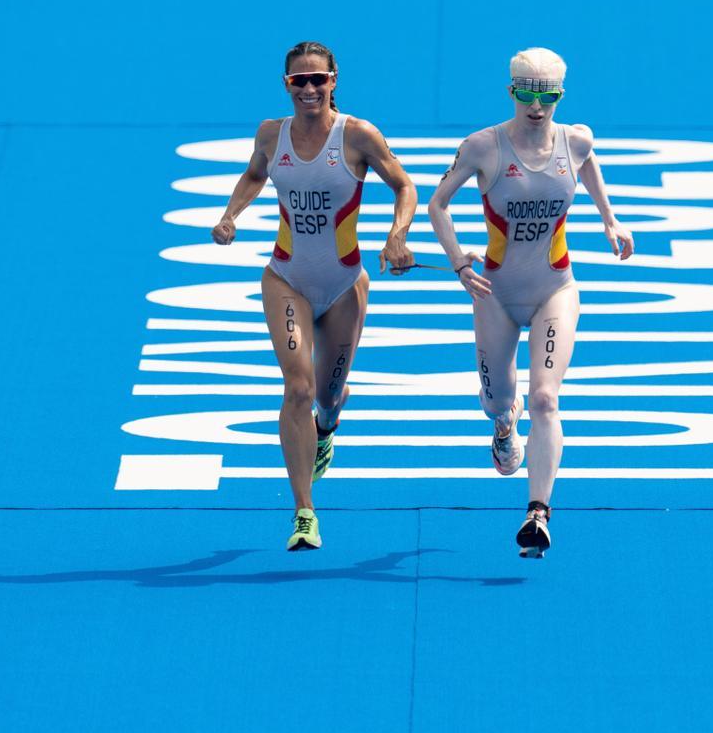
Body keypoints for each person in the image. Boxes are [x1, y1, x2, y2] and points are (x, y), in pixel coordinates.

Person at [427, 47, 634, 557]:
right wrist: (458, 263)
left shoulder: (576, 140)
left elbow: (588, 168)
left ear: (560, 95)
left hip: (554, 289)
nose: (536, 106)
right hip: (496, 293)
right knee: (501, 400)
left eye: (548, 96)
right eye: (526, 94)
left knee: (546, 397)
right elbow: (437, 204)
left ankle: (538, 514)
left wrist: (610, 219)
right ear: (511, 92)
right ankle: (503, 423)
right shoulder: (482, 147)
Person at [212, 41, 416, 551]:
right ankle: (304, 511)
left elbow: (404, 185)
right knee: (298, 388)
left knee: (325, 396)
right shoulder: (270, 134)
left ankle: (328, 424)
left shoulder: (357, 136)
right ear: (285, 85)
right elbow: (256, 174)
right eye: (297, 82)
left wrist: (398, 234)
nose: (308, 89)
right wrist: (231, 215)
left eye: (317, 79)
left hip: (346, 285)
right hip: (287, 278)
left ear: (334, 80)